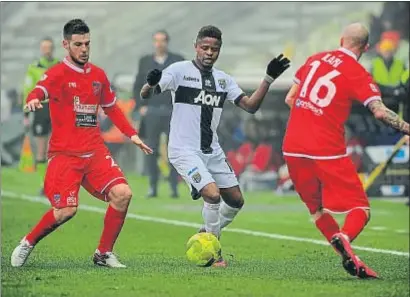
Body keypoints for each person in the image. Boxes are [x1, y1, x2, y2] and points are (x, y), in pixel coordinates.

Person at [140, 25, 290, 267]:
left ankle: (206, 232)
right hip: (184, 150)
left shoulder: (223, 79)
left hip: (212, 151)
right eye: (205, 48)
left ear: (219, 50)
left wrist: (268, 79)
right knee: (212, 195)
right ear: (196, 47)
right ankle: (214, 253)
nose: (209, 52)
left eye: (214, 49)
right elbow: (146, 94)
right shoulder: (179, 71)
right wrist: (150, 83)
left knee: (236, 201)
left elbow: (250, 106)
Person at [11, 19, 152, 269]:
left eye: (87, 43)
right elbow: (40, 89)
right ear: (66, 45)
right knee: (66, 211)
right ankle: (27, 242)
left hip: (95, 151)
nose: (84, 49)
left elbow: (112, 109)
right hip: (65, 154)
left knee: (123, 194)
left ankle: (103, 253)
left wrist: (132, 134)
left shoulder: (98, 75)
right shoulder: (57, 73)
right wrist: (33, 99)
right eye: (78, 44)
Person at [283, 23, 409, 279]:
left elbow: (290, 98)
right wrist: (407, 128)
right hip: (326, 147)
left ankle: (349, 257)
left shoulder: (314, 59)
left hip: (293, 146)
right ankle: (345, 236)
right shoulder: (357, 72)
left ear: (341, 39)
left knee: (317, 210)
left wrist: (308, 118)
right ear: (366, 47)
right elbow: (380, 111)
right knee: (361, 208)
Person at [132, 30, 184, 198]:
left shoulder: (177, 60)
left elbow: (184, 85)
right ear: (153, 42)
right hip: (152, 111)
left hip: (171, 111)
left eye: (162, 40)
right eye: (157, 40)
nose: (159, 44)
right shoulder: (145, 61)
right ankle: (152, 186)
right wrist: (141, 105)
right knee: (151, 150)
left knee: (174, 151)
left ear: (167, 42)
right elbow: (138, 84)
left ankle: (174, 187)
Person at [22, 37, 60, 194]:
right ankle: (43, 184)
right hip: (40, 109)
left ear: (53, 48)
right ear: (40, 49)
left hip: (57, 108)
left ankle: (54, 182)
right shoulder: (33, 68)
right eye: (44, 47)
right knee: (41, 149)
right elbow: (28, 89)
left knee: (56, 148)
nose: (47, 50)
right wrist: (26, 112)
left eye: (49, 47)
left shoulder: (60, 65)